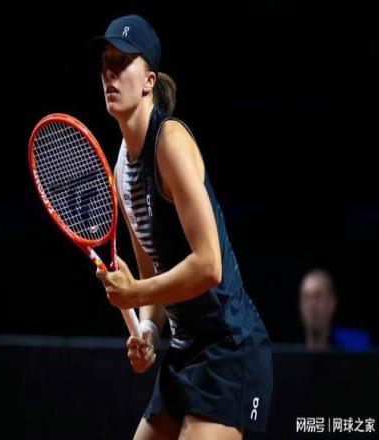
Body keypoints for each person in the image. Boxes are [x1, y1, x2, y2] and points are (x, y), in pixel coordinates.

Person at [93, 15, 273, 439]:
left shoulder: (169, 142)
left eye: (122, 61)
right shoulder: (122, 169)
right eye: (105, 62)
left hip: (229, 350)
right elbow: (153, 274)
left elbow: (209, 265)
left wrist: (135, 293)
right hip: (183, 350)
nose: (110, 73)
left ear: (149, 80)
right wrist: (148, 330)